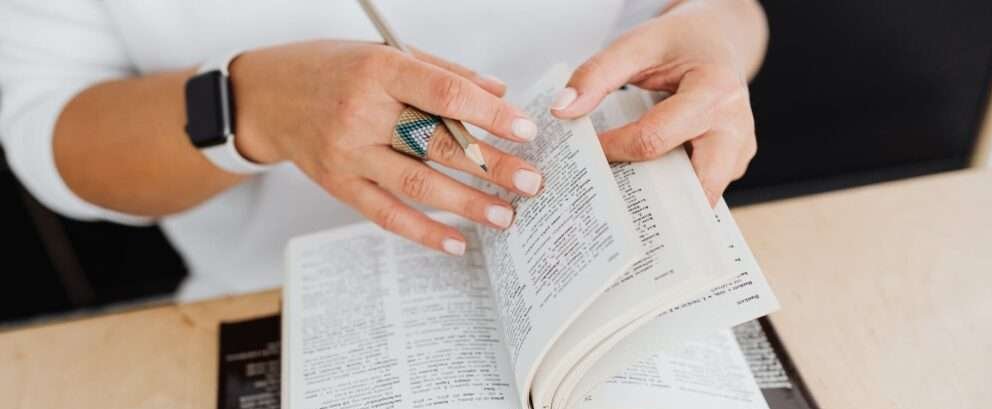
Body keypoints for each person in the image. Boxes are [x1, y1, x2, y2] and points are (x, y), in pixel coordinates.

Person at [0, 0, 767, 300]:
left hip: (624, 284)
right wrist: (253, 106)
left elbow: (723, 14)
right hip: (277, 310)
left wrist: (719, 44)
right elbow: (51, 135)